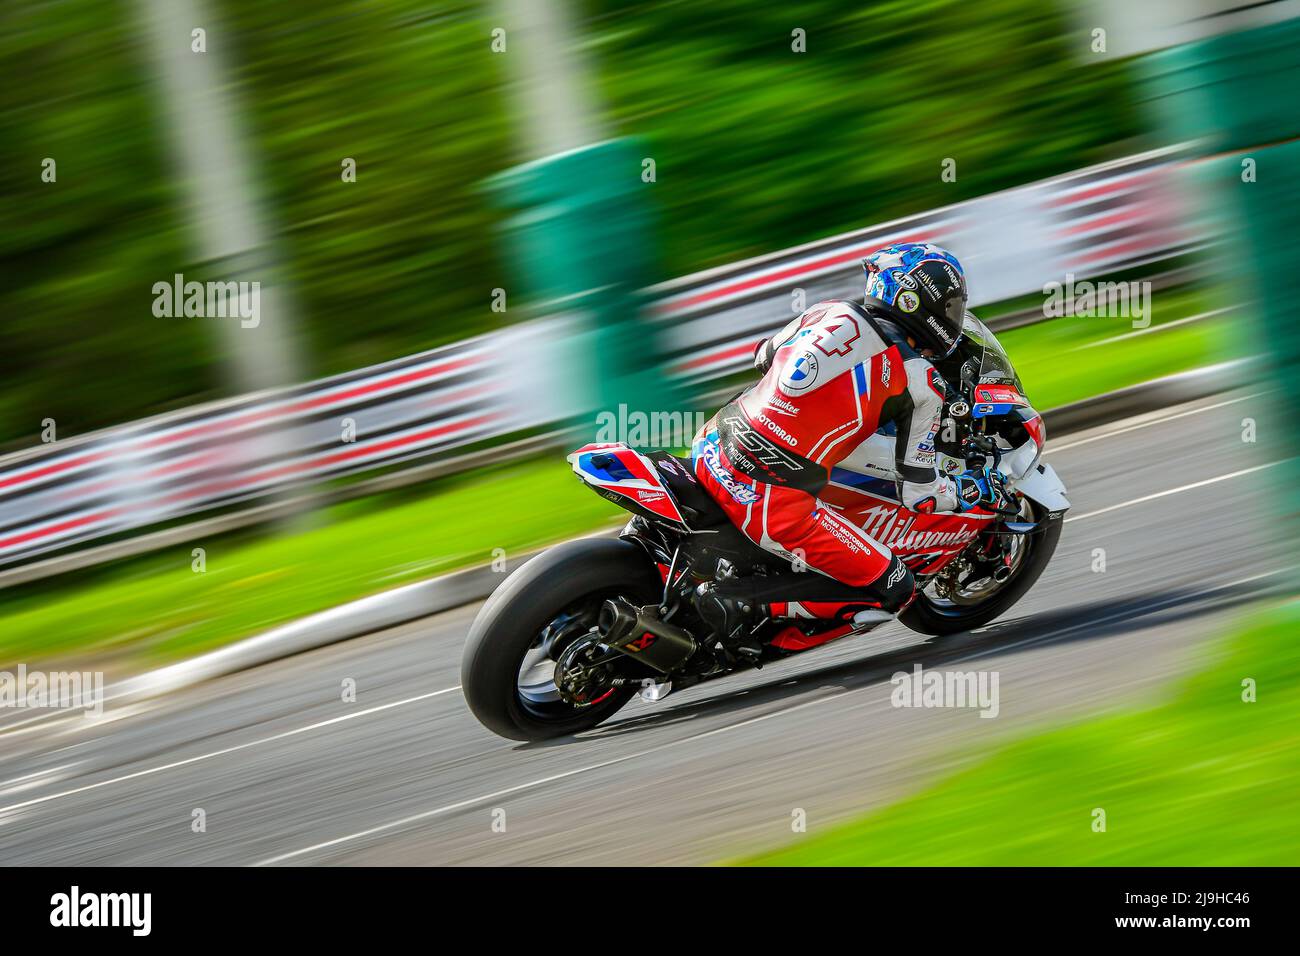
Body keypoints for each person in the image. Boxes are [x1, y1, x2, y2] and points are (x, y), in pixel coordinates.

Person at [691, 242, 1001, 632]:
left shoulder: (826, 311)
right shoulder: (923, 381)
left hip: (714, 442)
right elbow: (920, 494)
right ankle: (743, 606)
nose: (952, 318)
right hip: (770, 499)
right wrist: (970, 490)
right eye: (950, 307)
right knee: (898, 587)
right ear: (916, 300)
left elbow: (764, 355)